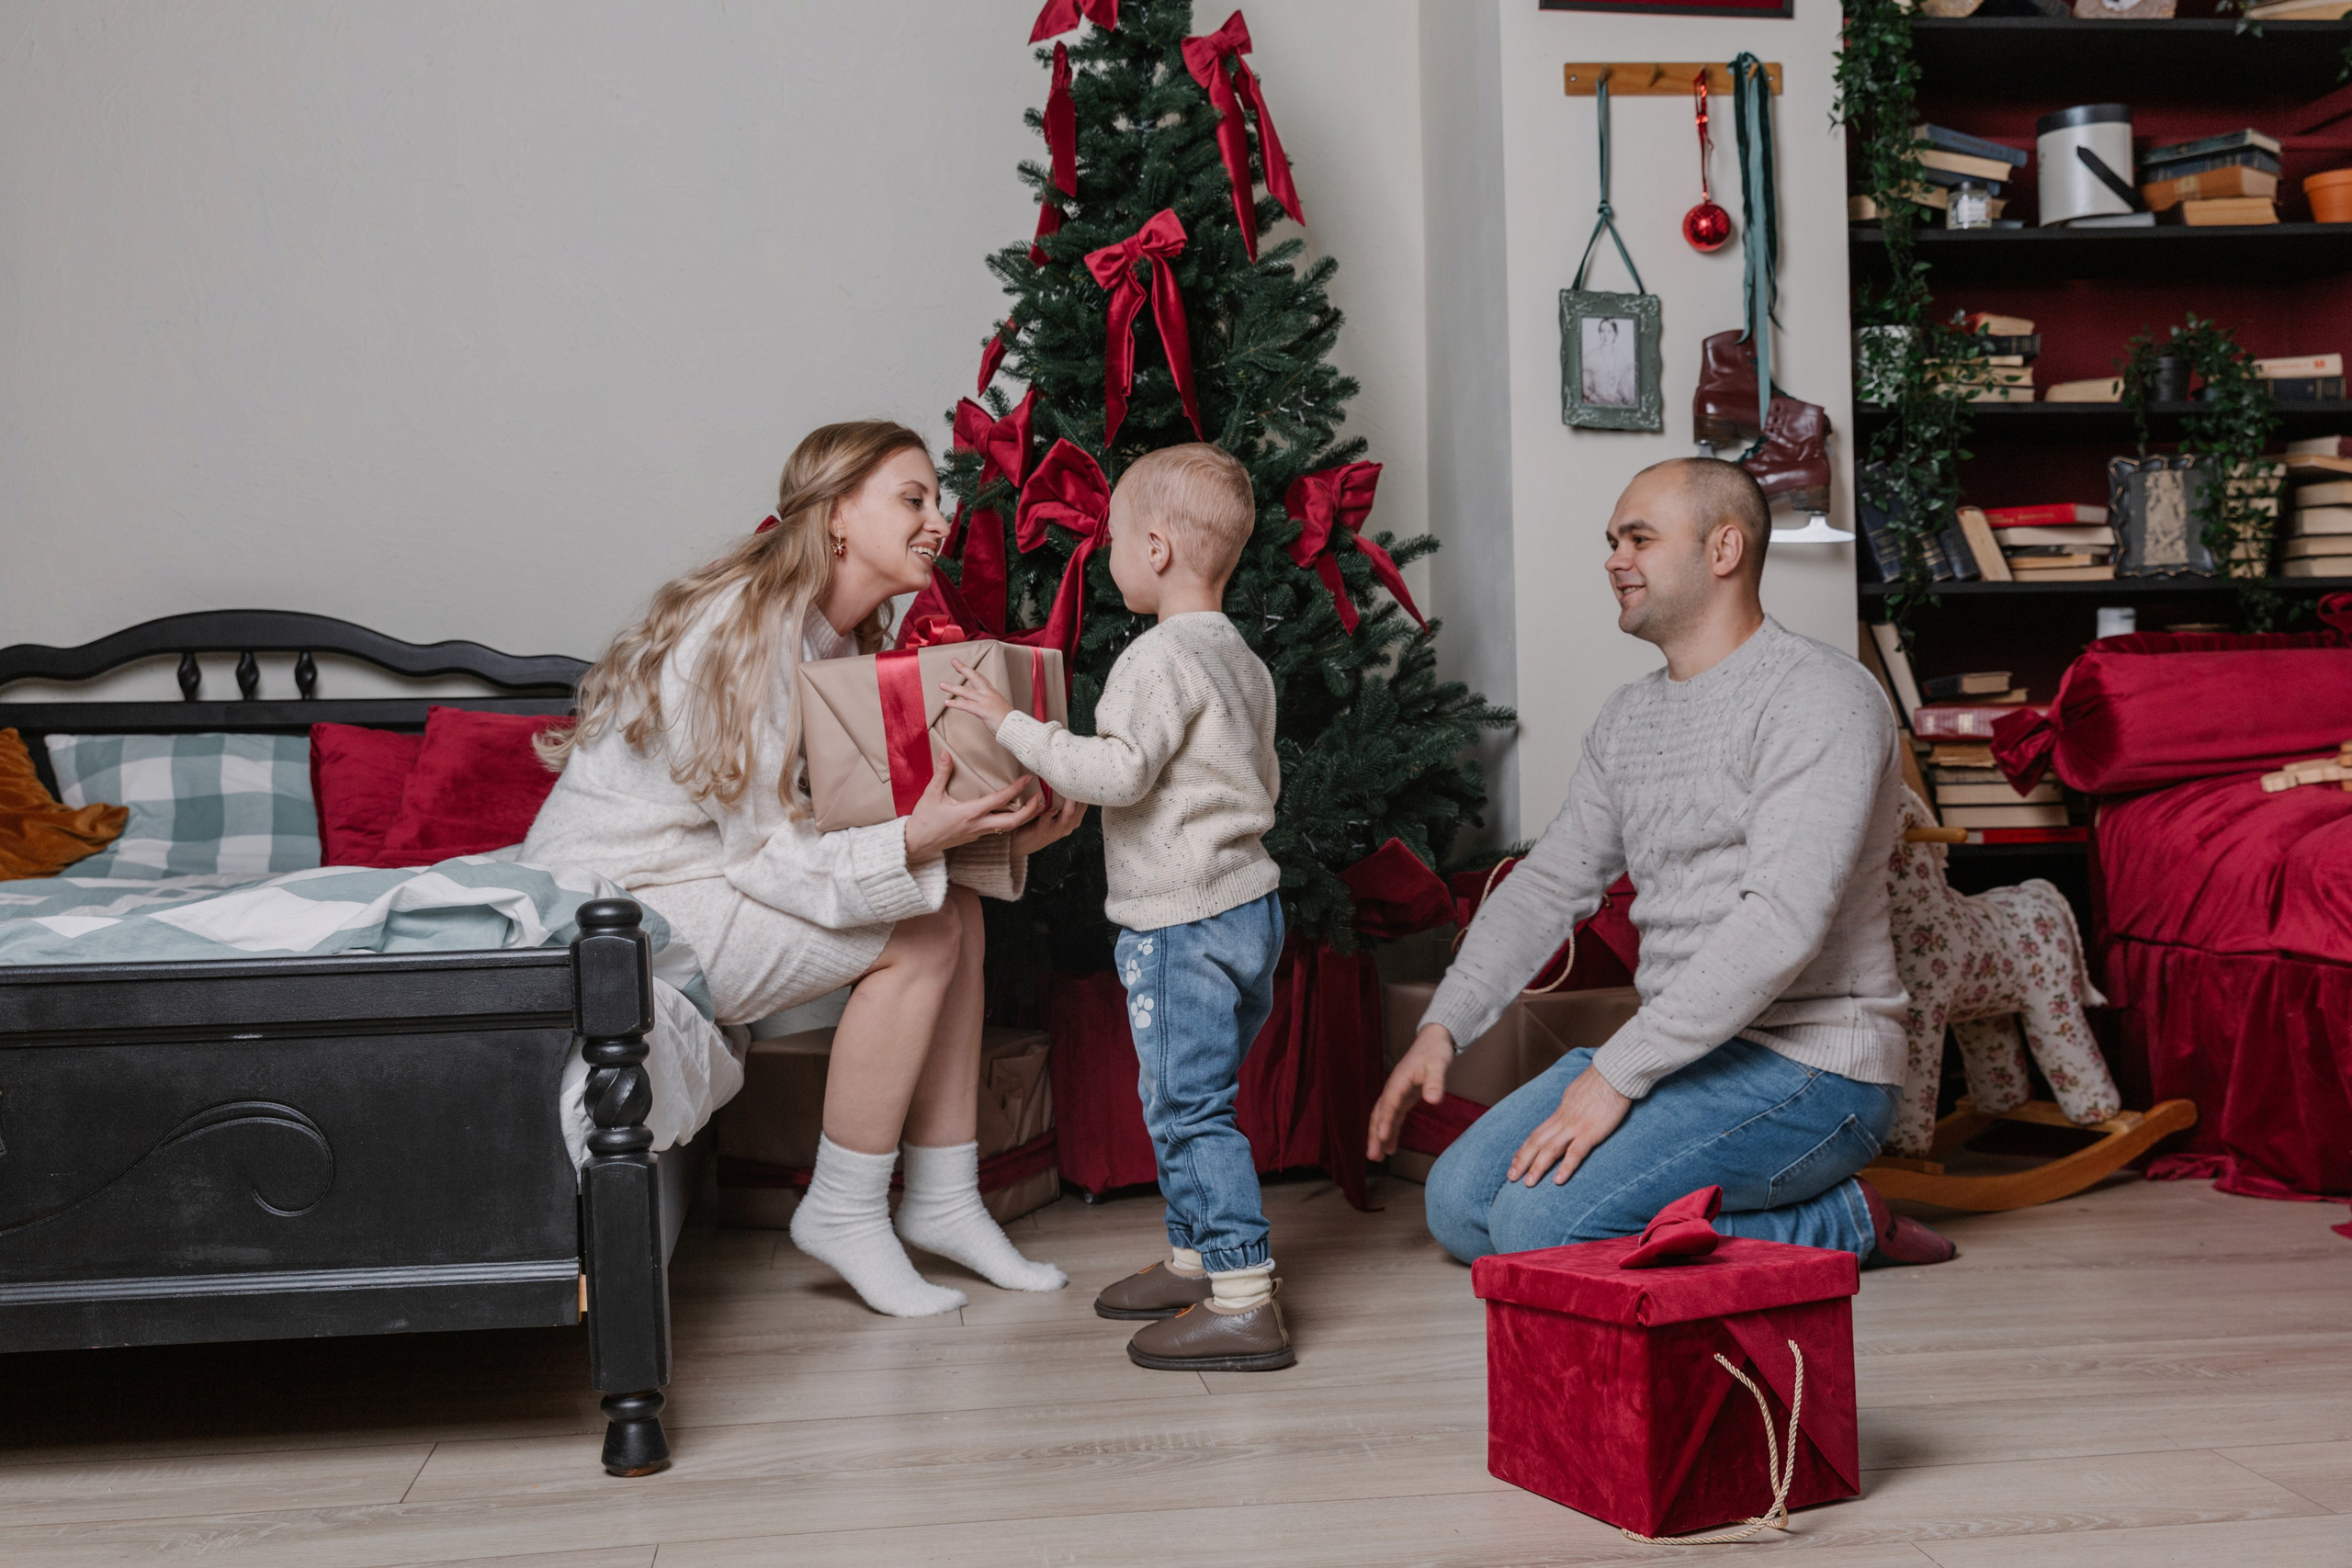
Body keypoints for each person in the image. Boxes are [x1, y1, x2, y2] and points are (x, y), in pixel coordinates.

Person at [525, 420, 1087, 1318]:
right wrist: (914, 842)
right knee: (919, 930)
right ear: (835, 515)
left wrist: (1014, 837)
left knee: (957, 910)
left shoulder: (836, 643)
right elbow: (770, 854)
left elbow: (832, 832)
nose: (939, 521)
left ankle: (944, 1198)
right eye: (912, 499)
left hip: (701, 877)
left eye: (937, 501)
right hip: (623, 905)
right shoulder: (747, 629)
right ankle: (845, 1208)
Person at [1368, 457, 1955, 1268]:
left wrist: (1617, 1074)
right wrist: (1445, 1026)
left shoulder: (1823, 695)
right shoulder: (1628, 717)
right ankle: (1737, 1203)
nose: (1615, 559)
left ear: (1724, 549)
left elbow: (1780, 922)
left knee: (1541, 1229)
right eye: (1612, 541)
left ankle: (1844, 1221)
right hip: (1683, 1052)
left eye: (1639, 538)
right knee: (1459, 1204)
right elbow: (1549, 885)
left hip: (1813, 1067)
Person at [941, 443, 1293, 1371]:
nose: (1104, 557)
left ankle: (1242, 1296)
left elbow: (1119, 772)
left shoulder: (1156, 656)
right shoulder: (1241, 660)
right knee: (1190, 1094)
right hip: (1249, 909)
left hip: (1181, 920)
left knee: (1187, 1107)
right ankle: (1193, 1258)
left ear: (1158, 549)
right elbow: (1261, 781)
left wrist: (1011, 725)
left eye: (1113, 541)